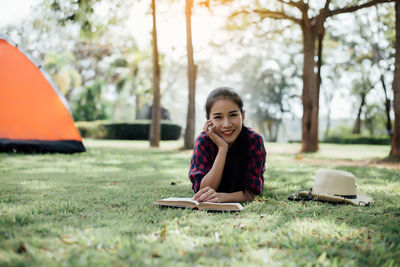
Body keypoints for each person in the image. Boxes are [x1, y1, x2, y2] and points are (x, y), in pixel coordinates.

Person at [188, 87, 266, 203]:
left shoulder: (253, 140)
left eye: (233, 115)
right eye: (218, 117)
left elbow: (251, 192)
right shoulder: (203, 141)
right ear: (209, 120)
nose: (226, 124)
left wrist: (222, 197)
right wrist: (222, 148)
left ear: (243, 116)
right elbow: (203, 191)